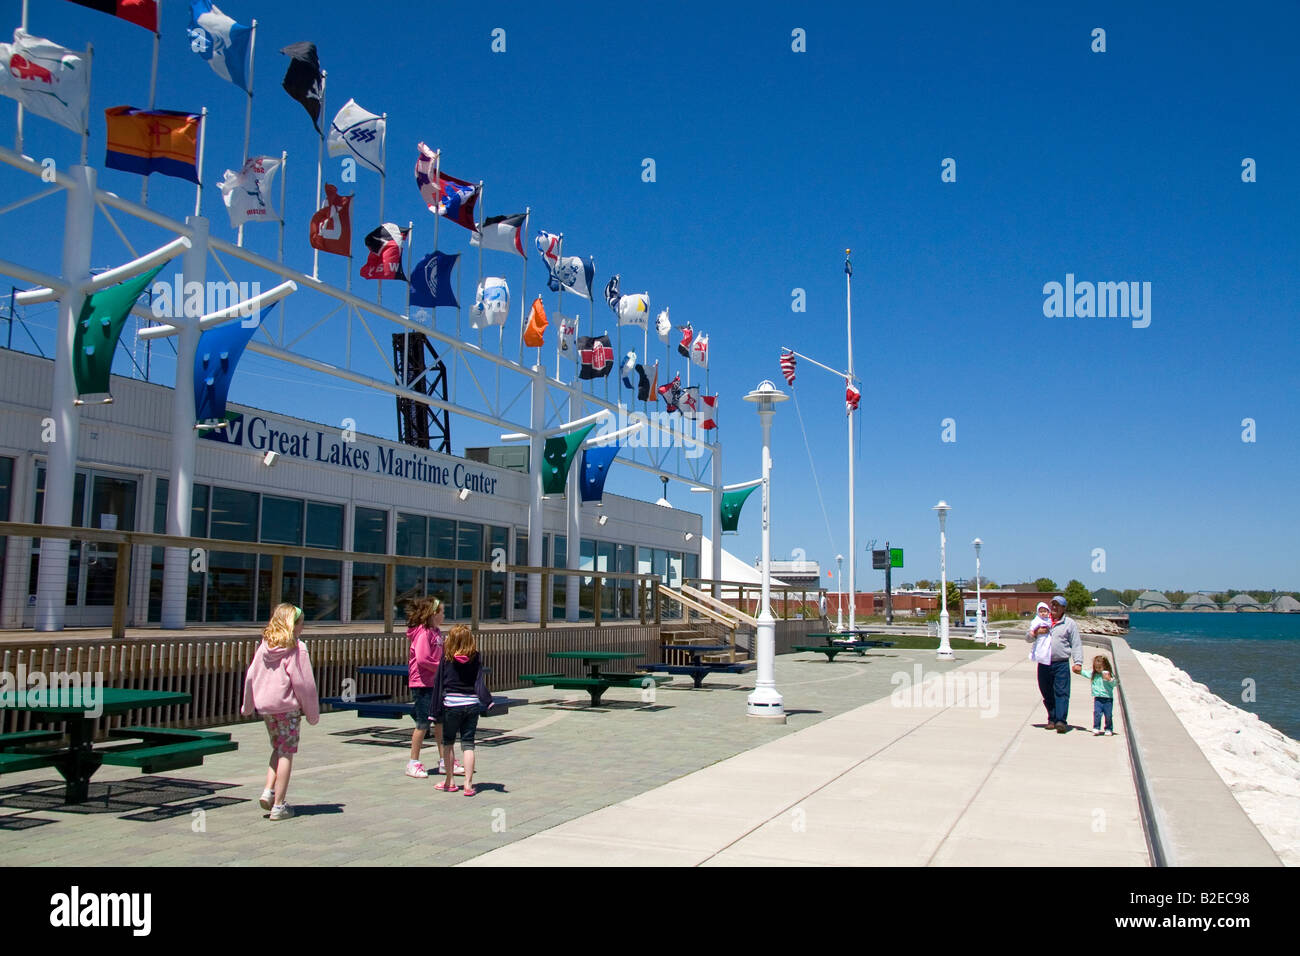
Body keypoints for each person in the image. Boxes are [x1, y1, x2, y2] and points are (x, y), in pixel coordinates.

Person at [241, 603, 320, 821]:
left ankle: (269, 790)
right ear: (292, 625)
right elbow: (304, 684)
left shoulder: (265, 645)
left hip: (266, 706)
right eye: (301, 623)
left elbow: (250, 676)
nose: (303, 627)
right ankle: (279, 805)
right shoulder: (296, 647)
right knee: (287, 752)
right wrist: (312, 713)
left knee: (277, 747)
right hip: (287, 707)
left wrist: (248, 705)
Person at [404, 596, 461, 778]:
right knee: (422, 723)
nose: (444, 615)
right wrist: (442, 667)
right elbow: (422, 659)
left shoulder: (436, 633)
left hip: (436, 684)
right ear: (433, 614)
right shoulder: (423, 633)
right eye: (442, 612)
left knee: (441, 723)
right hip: (422, 685)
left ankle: (445, 761)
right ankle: (413, 762)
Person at [431, 625, 491, 796]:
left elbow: (439, 684)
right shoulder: (476, 657)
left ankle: (449, 781)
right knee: (468, 744)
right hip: (472, 704)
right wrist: (487, 700)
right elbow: (479, 682)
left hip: (452, 704)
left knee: (448, 743)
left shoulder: (446, 658)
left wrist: (434, 710)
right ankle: (468, 784)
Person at [1024, 595, 1083, 733]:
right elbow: (1027, 638)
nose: (1054, 607)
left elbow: (1076, 644)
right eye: (1053, 604)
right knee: (1047, 691)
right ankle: (1052, 718)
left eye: (1058, 605)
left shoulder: (1069, 623)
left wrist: (1078, 662)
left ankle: (1061, 721)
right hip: (1044, 663)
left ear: (1064, 608)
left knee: (1062, 693)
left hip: (1061, 663)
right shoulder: (1041, 620)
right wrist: (1036, 632)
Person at [1081, 653, 1119, 736]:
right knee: (1097, 713)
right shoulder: (1094, 675)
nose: (1098, 669)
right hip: (1098, 698)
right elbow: (1086, 673)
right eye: (1096, 667)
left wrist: (1109, 679)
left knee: (1108, 714)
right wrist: (1079, 671)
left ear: (1105, 666)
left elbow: (1115, 683)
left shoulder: (1108, 674)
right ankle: (1096, 727)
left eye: (1099, 667)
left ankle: (1108, 728)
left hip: (1108, 698)